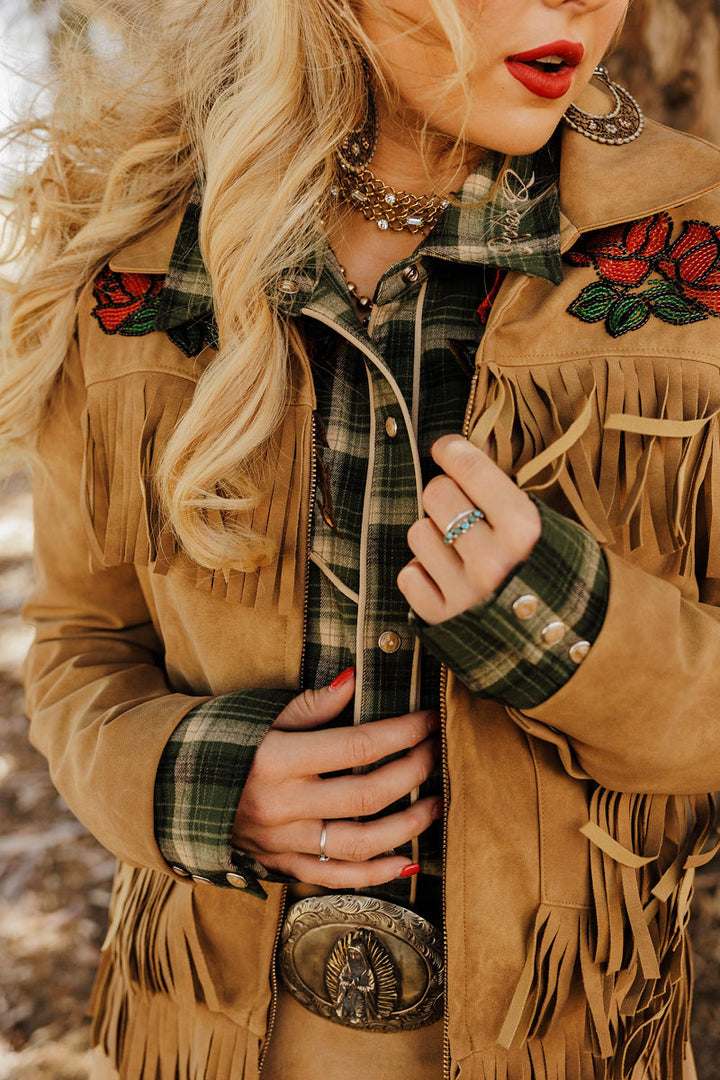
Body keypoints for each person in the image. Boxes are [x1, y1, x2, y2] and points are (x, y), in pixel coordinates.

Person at [3, 0, 720, 1076]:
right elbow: (78, 642)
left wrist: (563, 626)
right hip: (202, 1041)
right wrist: (191, 783)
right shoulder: (131, 240)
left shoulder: (698, 247)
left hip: (568, 1046)